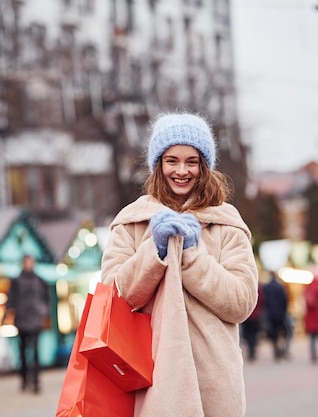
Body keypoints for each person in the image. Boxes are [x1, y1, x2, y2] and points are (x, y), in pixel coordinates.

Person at [100, 112, 259, 416]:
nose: (182, 171)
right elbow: (113, 297)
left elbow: (241, 302)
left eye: (192, 161)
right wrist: (154, 251)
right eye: (172, 160)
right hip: (151, 382)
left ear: (205, 166)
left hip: (214, 384)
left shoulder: (227, 224)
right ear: (158, 165)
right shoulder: (131, 223)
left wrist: (192, 255)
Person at [4, 254, 50, 394]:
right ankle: (24, 380)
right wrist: (8, 314)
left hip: (35, 319)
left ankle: (36, 381)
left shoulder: (40, 280)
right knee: (23, 352)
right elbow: (11, 299)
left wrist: (44, 313)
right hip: (22, 319)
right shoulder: (17, 281)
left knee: (36, 352)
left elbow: (46, 299)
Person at [262, 270, 289, 361]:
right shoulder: (280, 287)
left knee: (273, 334)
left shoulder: (266, 287)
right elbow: (285, 301)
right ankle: (281, 348)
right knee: (282, 333)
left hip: (270, 314)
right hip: (280, 314)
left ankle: (276, 350)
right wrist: (284, 311)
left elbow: (263, 301)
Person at [242, 284, 264, 362]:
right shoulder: (258, 287)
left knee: (248, 334)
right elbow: (262, 300)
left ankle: (251, 349)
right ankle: (252, 349)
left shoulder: (245, 286)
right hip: (256, 315)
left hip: (247, 315)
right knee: (253, 334)